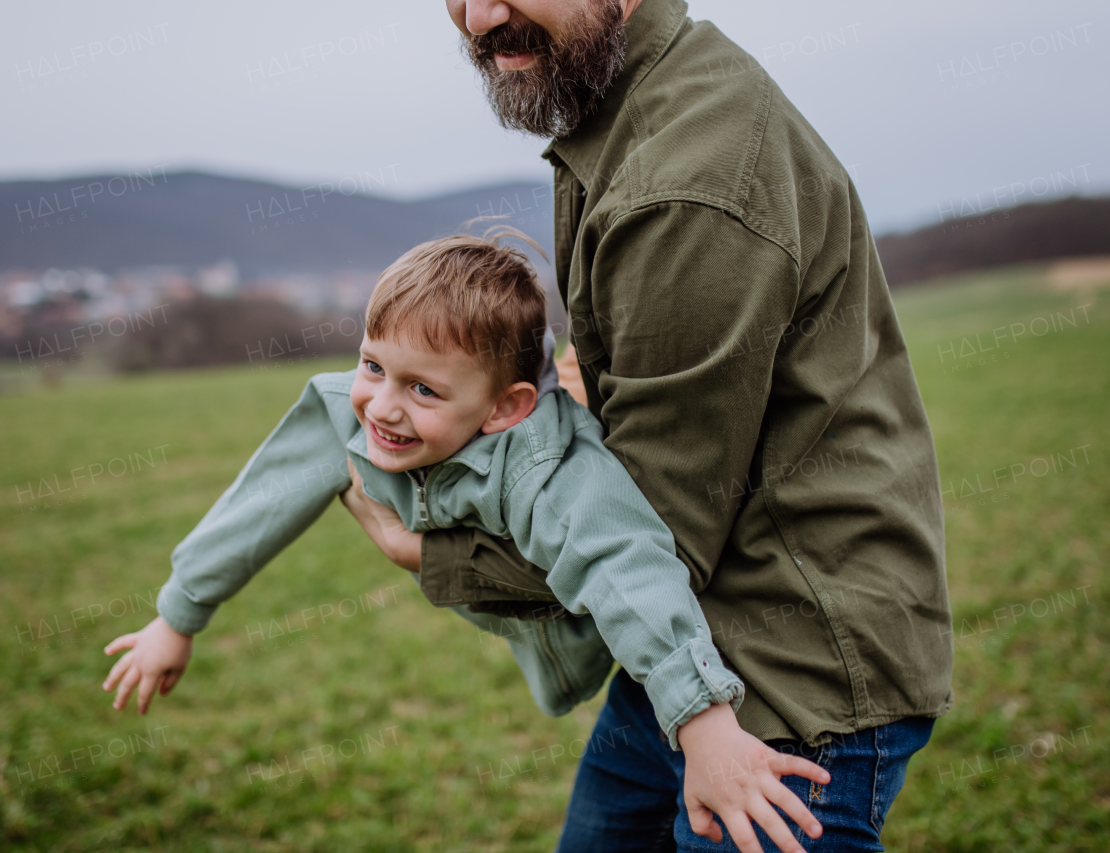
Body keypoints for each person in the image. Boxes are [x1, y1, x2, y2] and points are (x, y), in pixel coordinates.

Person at [336, 1, 955, 851]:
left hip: (792, 673)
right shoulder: (630, 103)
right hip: (684, 646)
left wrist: (434, 552)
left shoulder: (684, 184)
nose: (478, 17)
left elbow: (650, 530)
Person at [101, 231, 826, 821]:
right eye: (372, 364)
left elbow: (624, 565)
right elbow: (261, 499)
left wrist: (704, 724)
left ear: (506, 407)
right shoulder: (340, 412)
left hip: (643, 641)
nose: (382, 406)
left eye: (421, 388)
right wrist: (179, 613)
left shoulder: (551, 469)